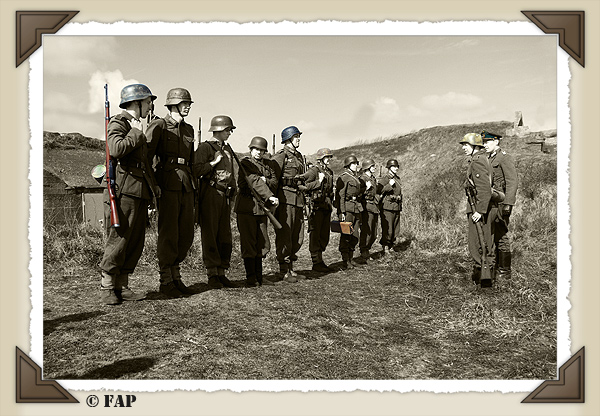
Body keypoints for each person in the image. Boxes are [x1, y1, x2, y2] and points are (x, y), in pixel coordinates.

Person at [99, 83, 159, 305]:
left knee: (134, 241)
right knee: (119, 239)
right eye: (147, 101)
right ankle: (107, 286)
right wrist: (136, 132)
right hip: (123, 191)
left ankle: (122, 286)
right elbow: (115, 149)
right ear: (137, 103)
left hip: (139, 191)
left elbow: (143, 163)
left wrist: (154, 188)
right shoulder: (119, 123)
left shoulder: (136, 125)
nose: (150, 105)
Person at [146, 88, 196, 298]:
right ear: (173, 105)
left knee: (185, 232)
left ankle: (176, 276)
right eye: (184, 103)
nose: (188, 106)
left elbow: (191, 161)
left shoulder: (189, 130)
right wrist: (152, 186)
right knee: (168, 233)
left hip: (186, 184)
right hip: (166, 184)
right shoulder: (158, 125)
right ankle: (165, 280)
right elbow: (146, 158)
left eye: (189, 103)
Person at [194, 115, 237, 289]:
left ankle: (222, 272)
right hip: (211, 194)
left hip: (225, 196)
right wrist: (213, 162)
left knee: (224, 234)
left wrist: (233, 192)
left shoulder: (227, 149)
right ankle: (212, 274)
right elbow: (196, 170)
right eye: (228, 130)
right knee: (210, 234)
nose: (229, 133)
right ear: (218, 130)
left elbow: (231, 173)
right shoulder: (205, 147)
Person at [234, 136, 279, 287]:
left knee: (261, 242)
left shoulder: (266, 166)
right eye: (256, 149)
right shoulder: (246, 163)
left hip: (261, 208)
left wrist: (267, 182)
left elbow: (274, 181)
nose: (259, 152)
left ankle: (259, 277)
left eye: (261, 150)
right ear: (251, 149)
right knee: (249, 243)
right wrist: (270, 196)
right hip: (247, 207)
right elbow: (253, 180)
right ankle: (251, 278)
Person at [271, 126, 308, 283]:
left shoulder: (299, 156)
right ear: (288, 139)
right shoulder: (281, 156)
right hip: (285, 200)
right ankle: (283, 270)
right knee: (285, 235)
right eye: (296, 137)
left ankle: (291, 268)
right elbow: (273, 179)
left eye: (299, 136)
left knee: (297, 235)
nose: (299, 139)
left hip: (298, 200)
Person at [482, 130, 518, 280]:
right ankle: (494, 266)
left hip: (501, 203)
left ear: (496, 142)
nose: (485, 145)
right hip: (490, 204)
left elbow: (512, 181)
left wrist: (508, 204)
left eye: (487, 142)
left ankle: (504, 271)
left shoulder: (504, 158)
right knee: (491, 235)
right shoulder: (487, 159)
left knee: (501, 235)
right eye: (483, 142)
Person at [460, 132, 495, 287]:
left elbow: (484, 189)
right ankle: (486, 277)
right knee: (486, 241)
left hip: (480, 207)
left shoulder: (477, 161)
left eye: (466, 145)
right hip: (482, 206)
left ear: (475, 146)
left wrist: (479, 211)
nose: (463, 148)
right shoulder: (481, 159)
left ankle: (484, 278)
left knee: (478, 243)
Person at [298, 148, 335, 273]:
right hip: (316, 207)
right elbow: (304, 186)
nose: (329, 159)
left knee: (324, 234)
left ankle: (321, 259)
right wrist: (319, 181)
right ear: (321, 158)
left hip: (326, 206)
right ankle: (316, 261)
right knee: (315, 233)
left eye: (330, 157)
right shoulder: (314, 171)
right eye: (327, 157)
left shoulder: (329, 172)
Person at [335, 155, 366, 269]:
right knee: (346, 235)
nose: (356, 166)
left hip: (356, 208)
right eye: (353, 164)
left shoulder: (356, 178)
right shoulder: (344, 177)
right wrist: (341, 212)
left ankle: (351, 258)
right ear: (348, 165)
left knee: (355, 235)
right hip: (347, 209)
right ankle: (345, 260)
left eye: (356, 164)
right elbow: (340, 196)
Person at [379, 159, 403, 255]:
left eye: (397, 166)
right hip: (387, 207)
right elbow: (379, 191)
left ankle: (391, 245)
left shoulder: (397, 178)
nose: (396, 168)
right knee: (387, 228)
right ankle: (385, 247)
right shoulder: (385, 178)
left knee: (395, 228)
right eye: (394, 166)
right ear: (389, 168)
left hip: (396, 206)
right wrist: (389, 185)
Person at [358, 159, 380, 262]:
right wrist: (366, 188)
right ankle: (364, 252)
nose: (374, 168)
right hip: (366, 207)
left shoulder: (373, 178)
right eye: (372, 166)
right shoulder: (362, 179)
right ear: (367, 167)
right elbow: (358, 193)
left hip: (374, 207)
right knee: (367, 231)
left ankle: (367, 249)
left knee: (374, 232)